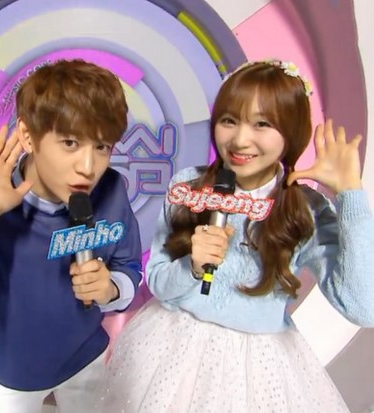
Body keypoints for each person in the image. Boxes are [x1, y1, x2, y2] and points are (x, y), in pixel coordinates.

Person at [96, 60, 374, 412]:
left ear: (291, 130)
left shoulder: (306, 209)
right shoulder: (188, 185)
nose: (240, 140)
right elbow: (159, 283)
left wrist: (350, 195)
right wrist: (192, 266)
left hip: (257, 368)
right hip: (170, 348)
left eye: (262, 124)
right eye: (229, 121)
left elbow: (364, 307)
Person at [0, 59, 143, 413]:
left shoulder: (111, 189)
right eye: (70, 142)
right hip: (14, 375)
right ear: (26, 135)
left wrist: (110, 288)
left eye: (102, 147)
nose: (88, 167)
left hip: (88, 358)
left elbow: (129, 266)